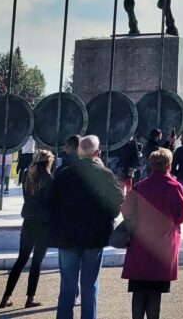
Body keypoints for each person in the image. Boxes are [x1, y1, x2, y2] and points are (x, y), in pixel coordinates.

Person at [48, 135, 123, 319]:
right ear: (97, 153)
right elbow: (117, 204)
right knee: (90, 287)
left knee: (67, 286)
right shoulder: (105, 174)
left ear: (78, 152)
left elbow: (50, 203)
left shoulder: (65, 174)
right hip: (94, 237)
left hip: (67, 237)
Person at [121, 148, 183, 319]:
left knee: (138, 290)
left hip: (140, 244)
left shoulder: (140, 186)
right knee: (154, 294)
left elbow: (126, 210)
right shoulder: (175, 187)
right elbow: (181, 215)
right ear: (169, 165)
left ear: (151, 165)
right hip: (163, 245)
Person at [0, 149, 55, 309]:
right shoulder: (49, 179)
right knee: (36, 262)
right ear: (48, 162)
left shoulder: (27, 175)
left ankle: (6, 296)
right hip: (43, 224)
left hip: (29, 221)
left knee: (21, 259)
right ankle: (30, 297)